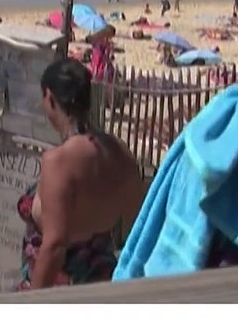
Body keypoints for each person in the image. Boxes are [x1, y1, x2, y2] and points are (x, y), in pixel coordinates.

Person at [19, 59, 144, 289]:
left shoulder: (58, 162)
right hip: (102, 279)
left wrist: (33, 300)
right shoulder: (120, 154)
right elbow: (139, 224)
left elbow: (55, 246)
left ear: (49, 98)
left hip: (61, 287)